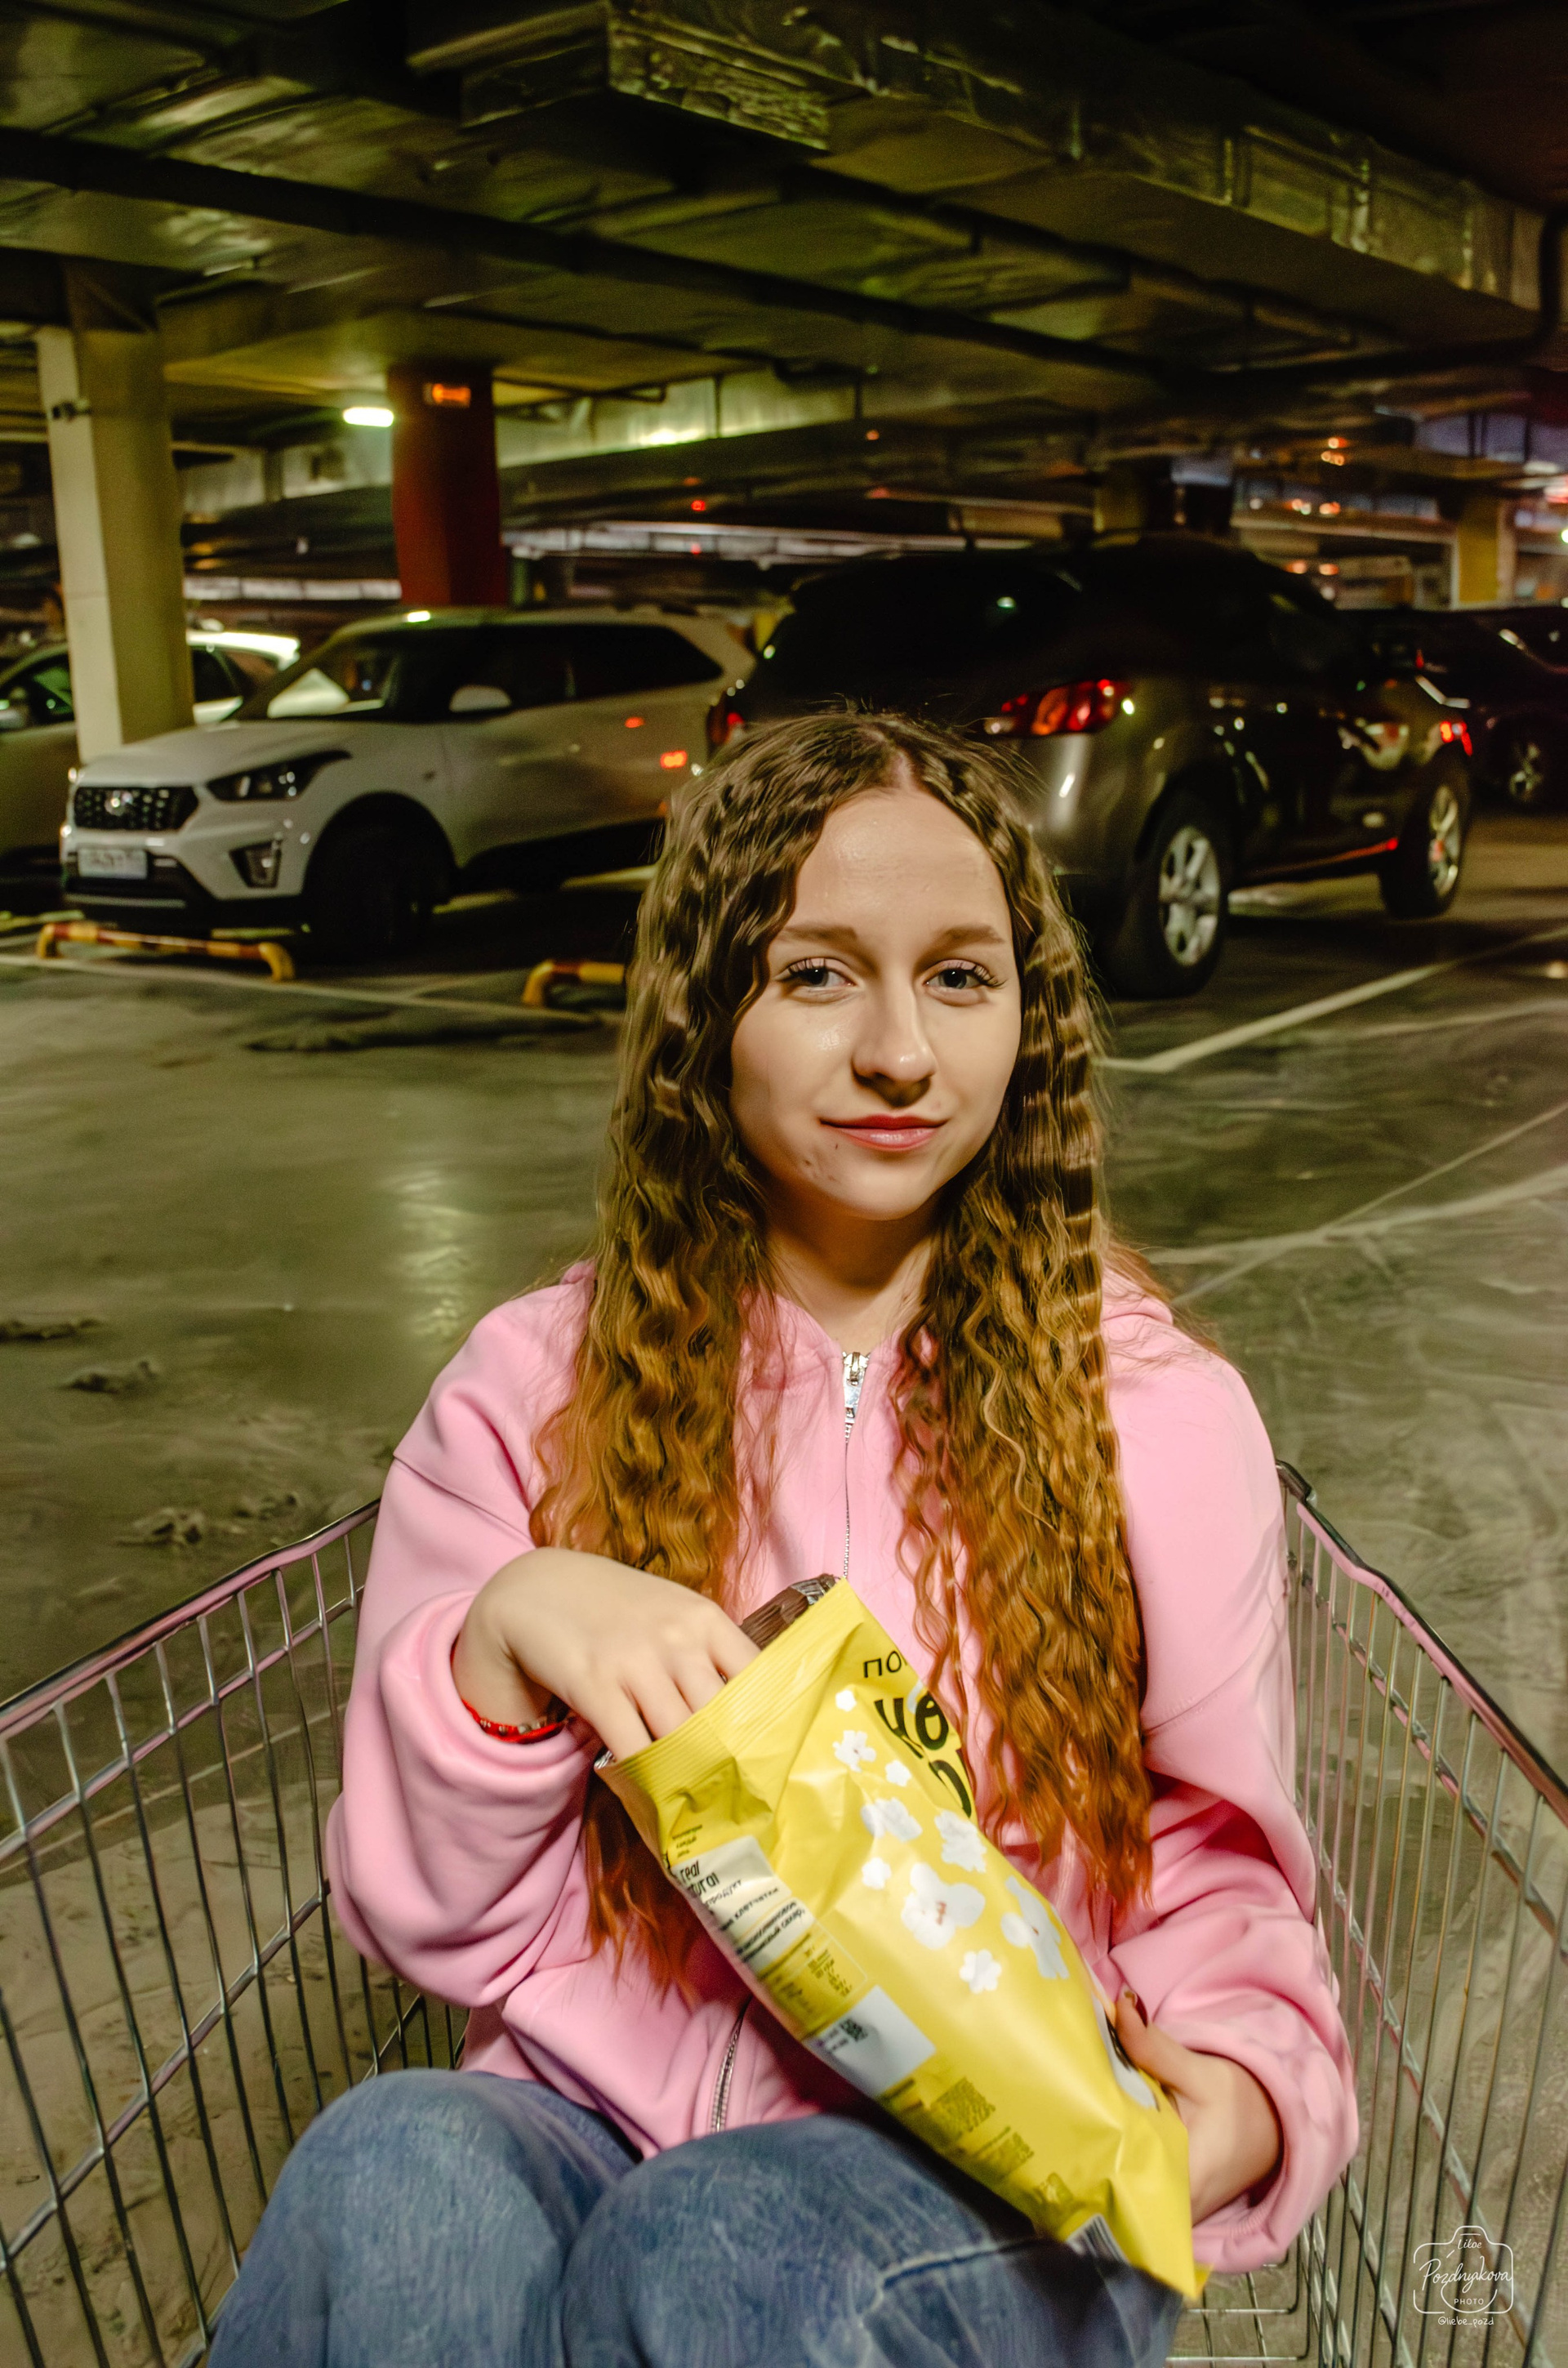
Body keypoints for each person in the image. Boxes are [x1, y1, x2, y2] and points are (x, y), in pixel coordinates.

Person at [212, 713, 1357, 2368]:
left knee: (723, 2243)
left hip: (989, 2161)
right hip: (598, 2118)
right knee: (389, 2167)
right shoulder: (532, 1392)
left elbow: (1205, 1849)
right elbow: (431, 1922)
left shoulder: (1154, 1413)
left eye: (960, 977)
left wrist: (1245, 2084)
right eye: (817, 974)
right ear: (705, 1014)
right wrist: (506, 1639)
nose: (900, 1050)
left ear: (1027, 1016)